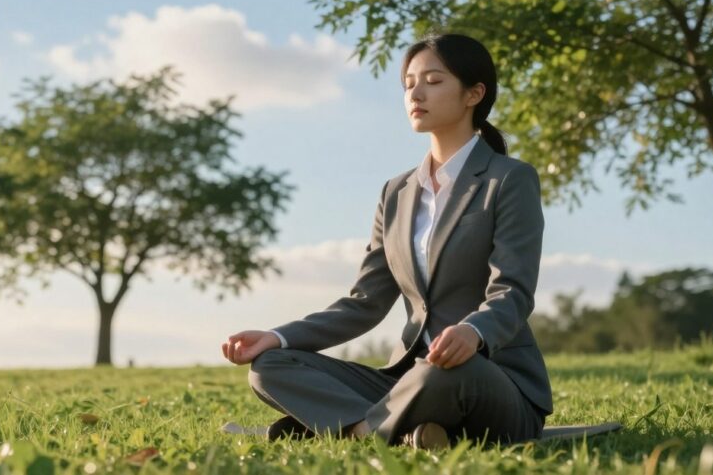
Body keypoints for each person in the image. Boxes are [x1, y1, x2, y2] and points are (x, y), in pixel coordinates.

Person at [220, 33, 552, 449]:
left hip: (488, 378)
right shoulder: (395, 193)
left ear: (474, 93)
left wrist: (474, 331)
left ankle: (348, 428)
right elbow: (364, 303)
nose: (416, 92)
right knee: (269, 367)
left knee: (439, 375)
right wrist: (278, 337)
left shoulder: (509, 179)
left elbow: (513, 291)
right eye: (409, 83)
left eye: (433, 80)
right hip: (407, 380)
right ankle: (381, 432)